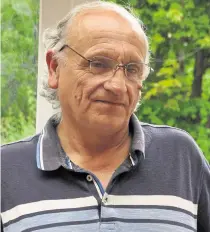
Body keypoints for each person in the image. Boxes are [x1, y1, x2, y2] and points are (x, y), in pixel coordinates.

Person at [1, 1, 209, 232]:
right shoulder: (6, 171)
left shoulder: (180, 158)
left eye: (131, 69)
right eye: (98, 64)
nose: (118, 86)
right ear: (54, 68)